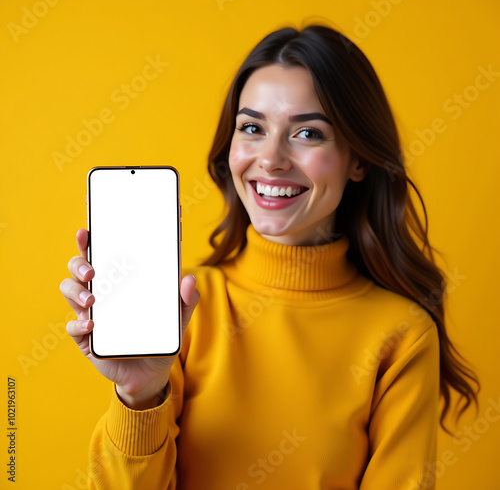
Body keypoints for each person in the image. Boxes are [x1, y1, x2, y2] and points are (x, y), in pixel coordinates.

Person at [60, 24, 479, 489]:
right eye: (253, 128)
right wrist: (139, 396)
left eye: (307, 132)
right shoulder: (181, 307)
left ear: (357, 159)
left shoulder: (402, 336)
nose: (271, 158)